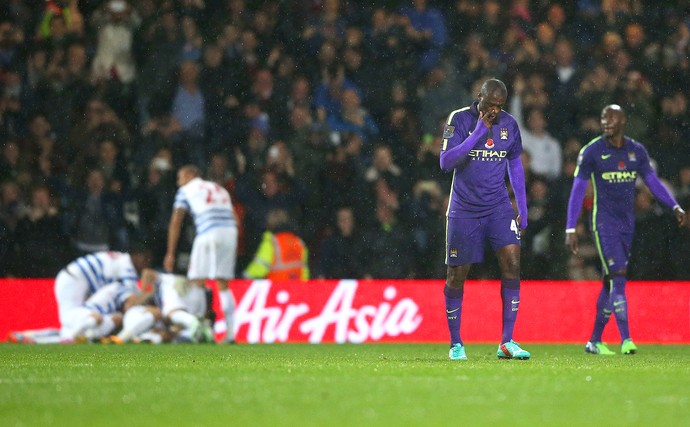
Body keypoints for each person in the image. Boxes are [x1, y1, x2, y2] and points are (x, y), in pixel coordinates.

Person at [565, 104, 686, 355]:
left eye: (611, 118)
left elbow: (652, 181)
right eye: (603, 118)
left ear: (623, 121)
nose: (606, 122)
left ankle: (594, 341)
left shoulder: (636, 151)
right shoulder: (592, 152)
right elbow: (577, 190)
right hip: (603, 224)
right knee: (618, 276)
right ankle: (626, 339)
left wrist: (674, 206)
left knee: (610, 282)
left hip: (627, 224)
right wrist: (570, 228)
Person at [439, 78, 529, 361]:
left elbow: (514, 162)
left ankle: (507, 341)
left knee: (513, 265)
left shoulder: (509, 125)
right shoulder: (460, 119)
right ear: (479, 97)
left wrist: (522, 205)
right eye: (490, 104)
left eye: (499, 106)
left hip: (498, 206)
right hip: (464, 209)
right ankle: (456, 343)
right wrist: (478, 132)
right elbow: (446, 162)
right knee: (457, 275)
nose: (494, 111)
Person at [165, 165, 238, 344]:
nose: (178, 181)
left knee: (197, 280)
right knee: (223, 283)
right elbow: (235, 217)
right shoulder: (219, 188)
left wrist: (170, 253)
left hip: (207, 232)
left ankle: (196, 331)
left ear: (191, 175)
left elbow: (176, 222)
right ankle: (230, 334)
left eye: (180, 176)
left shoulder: (186, 189)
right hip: (229, 232)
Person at [54, 250, 149, 341]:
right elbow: (132, 301)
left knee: (82, 319)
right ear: (137, 256)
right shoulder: (127, 267)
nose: (146, 263)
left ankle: (73, 336)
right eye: (145, 258)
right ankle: (66, 336)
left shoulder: (121, 260)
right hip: (74, 279)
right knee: (69, 316)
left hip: (75, 277)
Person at [243, 208, 309, 281]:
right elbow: (304, 270)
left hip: (276, 287)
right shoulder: (298, 242)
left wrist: (245, 276)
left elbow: (260, 266)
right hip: (296, 288)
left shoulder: (272, 241)